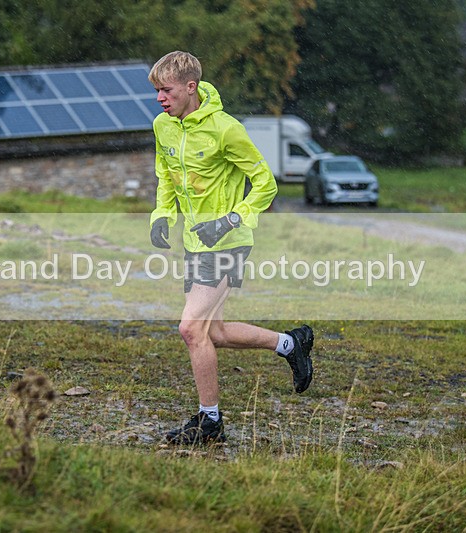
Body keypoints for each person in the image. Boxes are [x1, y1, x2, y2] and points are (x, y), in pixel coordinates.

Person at [147, 51, 314, 446]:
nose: (159, 99)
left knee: (190, 329)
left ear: (191, 88)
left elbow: (265, 184)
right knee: (213, 332)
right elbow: (165, 176)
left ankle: (210, 422)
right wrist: (161, 216)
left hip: (228, 243)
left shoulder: (226, 129)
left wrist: (230, 219)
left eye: (166, 90)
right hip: (193, 243)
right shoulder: (163, 126)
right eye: (156, 91)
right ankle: (291, 344)